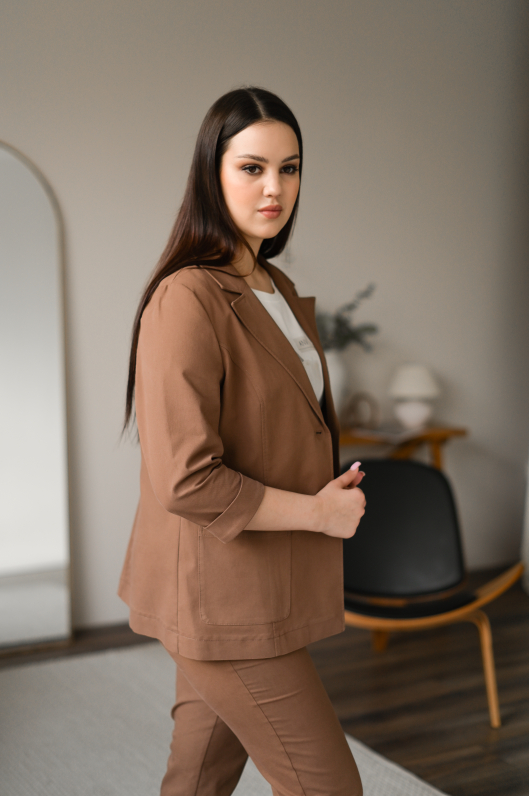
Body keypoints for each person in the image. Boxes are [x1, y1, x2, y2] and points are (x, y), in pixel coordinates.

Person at [119, 86, 366, 796]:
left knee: (198, 780)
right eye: (252, 168)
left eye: (290, 169)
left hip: (254, 581)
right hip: (221, 593)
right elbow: (186, 478)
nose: (274, 188)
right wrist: (319, 513)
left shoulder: (275, 285)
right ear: (212, 173)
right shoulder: (187, 296)